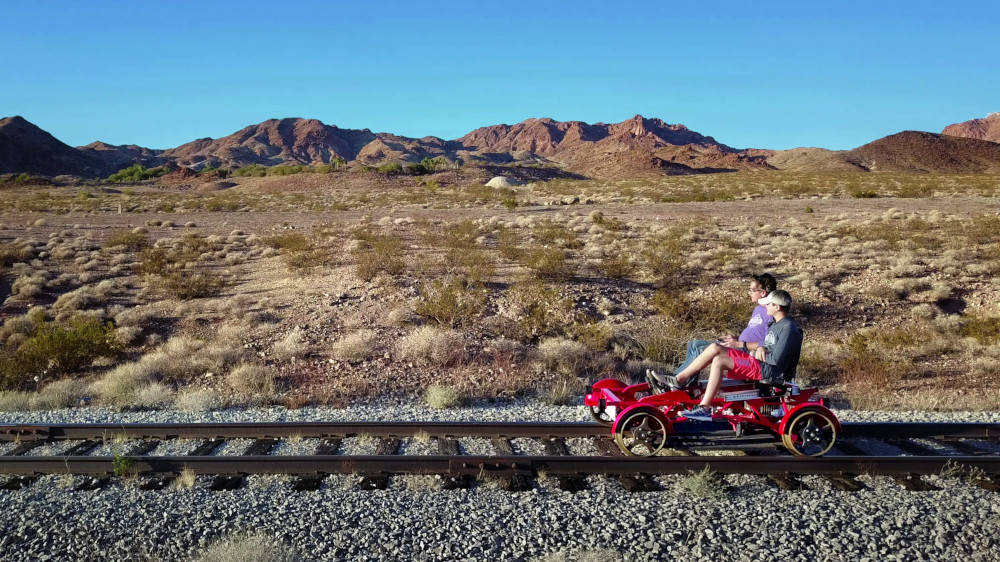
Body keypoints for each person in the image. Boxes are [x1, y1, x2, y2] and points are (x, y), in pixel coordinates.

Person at [660, 290, 803, 421]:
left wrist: (756, 352)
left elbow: (775, 359)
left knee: (719, 361)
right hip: (759, 361)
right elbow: (768, 346)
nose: (765, 307)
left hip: (767, 369)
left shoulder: (788, 329)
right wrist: (760, 348)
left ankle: (704, 408)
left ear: (777, 307)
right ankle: (679, 379)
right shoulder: (775, 324)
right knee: (715, 347)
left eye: (768, 305)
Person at [667, 273, 778, 385]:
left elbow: (769, 343)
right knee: (694, 345)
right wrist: (735, 339)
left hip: (747, 351)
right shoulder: (758, 309)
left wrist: (739, 344)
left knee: (702, 350)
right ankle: (686, 382)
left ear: (763, 293)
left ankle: (676, 381)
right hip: (739, 344)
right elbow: (755, 332)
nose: (749, 293)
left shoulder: (772, 313)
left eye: (752, 290)